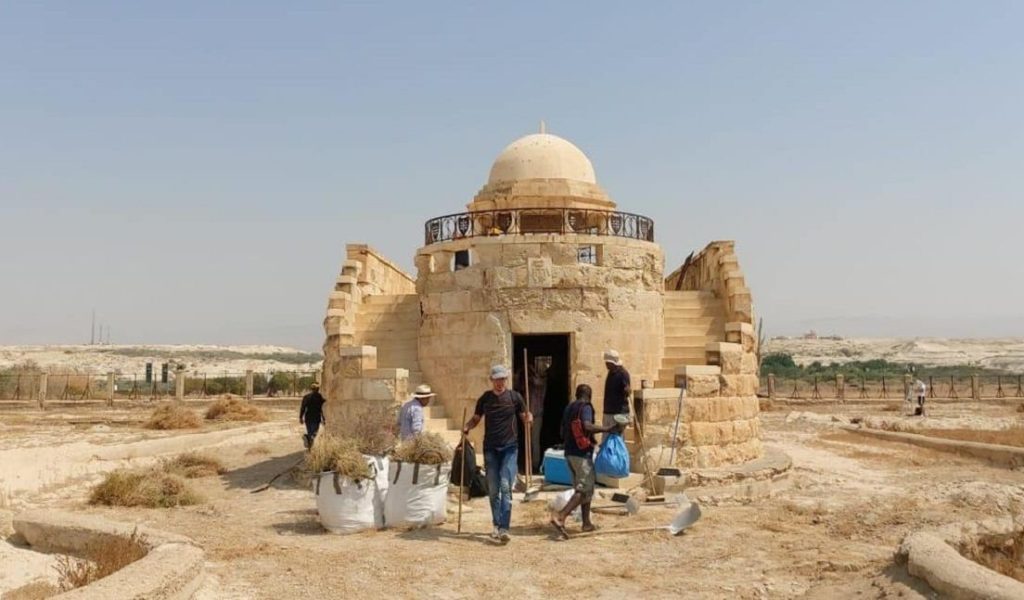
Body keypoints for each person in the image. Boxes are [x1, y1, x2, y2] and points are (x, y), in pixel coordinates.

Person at [463, 365, 531, 544]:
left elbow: (524, 415)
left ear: (506, 380)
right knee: (493, 490)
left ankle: (504, 528)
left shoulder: (515, 397)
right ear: (491, 380)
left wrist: (528, 418)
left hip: (510, 448)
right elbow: (476, 418)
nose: (500, 382)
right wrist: (468, 426)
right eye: (497, 379)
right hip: (490, 449)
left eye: (503, 379)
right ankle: (496, 524)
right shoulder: (485, 399)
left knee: (505, 486)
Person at [550, 384, 620, 538]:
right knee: (585, 488)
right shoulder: (586, 407)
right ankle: (560, 516)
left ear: (576, 394)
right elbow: (587, 426)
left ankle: (586, 523)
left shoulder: (569, 408)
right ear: (589, 395)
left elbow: (563, 430)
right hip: (581, 453)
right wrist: (607, 429)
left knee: (583, 489)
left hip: (569, 453)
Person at [602, 350, 632, 436]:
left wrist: (627, 390)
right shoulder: (611, 372)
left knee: (617, 440)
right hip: (608, 411)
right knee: (607, 439)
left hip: (618, 413)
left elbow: (627, 391)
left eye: (607, 362)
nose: (606, 364)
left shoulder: (623, 374)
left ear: (612, 363)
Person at [299, 382, 326, 447]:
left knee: (310, 432)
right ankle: (308, 438)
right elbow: (322, 408)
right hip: (316, 418)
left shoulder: (306, 397)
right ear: (318, 389)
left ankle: (308, 441)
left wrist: (301, 417)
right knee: (314, 433)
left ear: (311, 389)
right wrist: (323, 418)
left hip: (308, 418)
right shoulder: (320, 397)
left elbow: (303, 408)